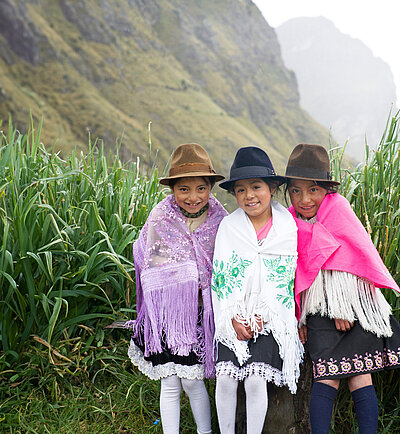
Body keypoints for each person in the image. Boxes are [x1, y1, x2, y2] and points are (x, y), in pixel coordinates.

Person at [285, 143, 400, 434]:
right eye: (296, 190)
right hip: (316, 308)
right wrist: (298, 317)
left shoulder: (338, 209)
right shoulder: (289, 220)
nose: (304, 198)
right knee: (326, 376)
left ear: (326, 189)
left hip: (353, 305)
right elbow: (294, 271)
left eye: (312, 190)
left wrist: (343, 307)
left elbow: (353, 255)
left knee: (361, 375)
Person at [124, 143, 228, 434]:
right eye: (184, 189)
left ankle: (204, 431)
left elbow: (226, 260)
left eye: (200, 188)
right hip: (168, 316)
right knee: (169, 382)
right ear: (173, 189)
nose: (192, 197)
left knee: (194, 381)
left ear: (210, 187)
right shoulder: (161, 218)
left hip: (199, 317)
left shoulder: (221, 220)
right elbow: (144, 255)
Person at [211, 146, 304, 434]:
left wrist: (262, 317)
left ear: (272, 188)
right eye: (241, 190)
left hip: (271, 318)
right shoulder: (229, 227)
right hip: (234, 317)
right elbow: (222, 279)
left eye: (256, 187)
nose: (249, 195)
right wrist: (233, 319)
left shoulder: (287, 228)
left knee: (254, 379)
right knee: (225, 378)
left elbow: (282, 282)